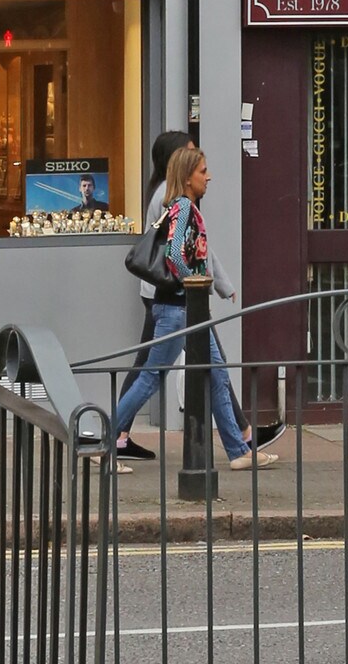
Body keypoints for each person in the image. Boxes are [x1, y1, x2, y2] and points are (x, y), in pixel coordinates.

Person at [112, 143, 278, 471]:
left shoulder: (176, 206)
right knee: (149, 378)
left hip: (180, 309)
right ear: (188, 177)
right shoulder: (185, 208)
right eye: (203, 171)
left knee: (216, 375)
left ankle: (238, 452)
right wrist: (195, 286)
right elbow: (175, 255)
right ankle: (102, 443)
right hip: (179, 310)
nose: (209, 177)